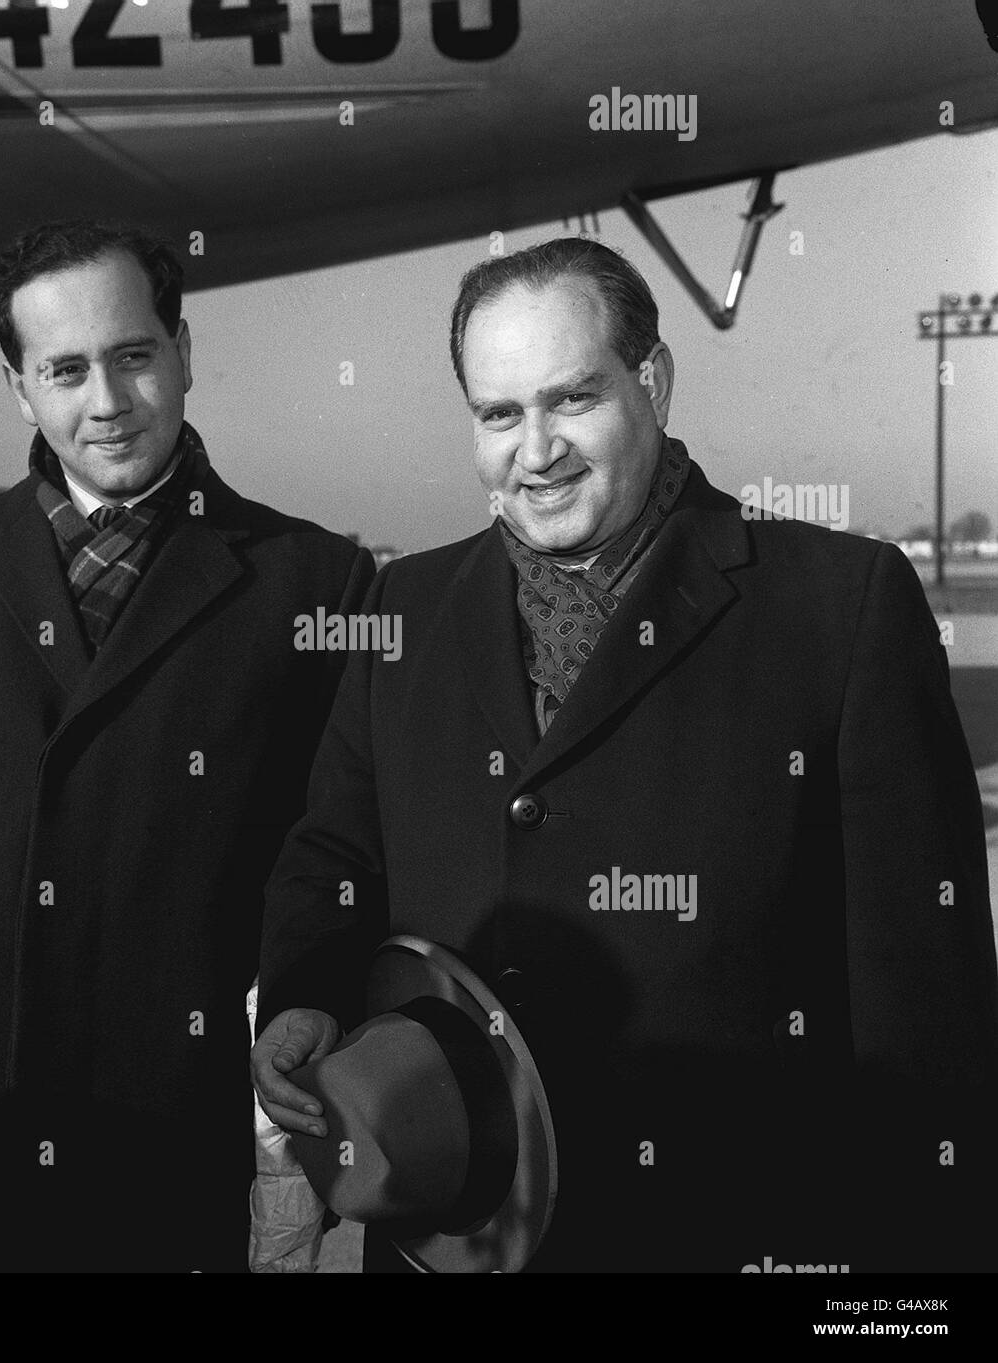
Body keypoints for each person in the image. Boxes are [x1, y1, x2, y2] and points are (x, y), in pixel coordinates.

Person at [253, 237, 998, 1273]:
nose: (537, 448)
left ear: (651, 381)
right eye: (499, 414)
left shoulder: (839, 605)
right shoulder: (405, 606)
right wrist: (307, 993)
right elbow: (336, 851)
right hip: (459, 1228)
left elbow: (923, 1007)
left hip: (731, 1233)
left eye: (572, 400)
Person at [0, 219, 374, 1273]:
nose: (105, 403)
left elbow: (329, 863)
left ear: (184, 352)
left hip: (169, 1152)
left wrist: (310, 1041)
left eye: (133, 356)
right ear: (17, 385)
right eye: (63, 369)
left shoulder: (316, 581)